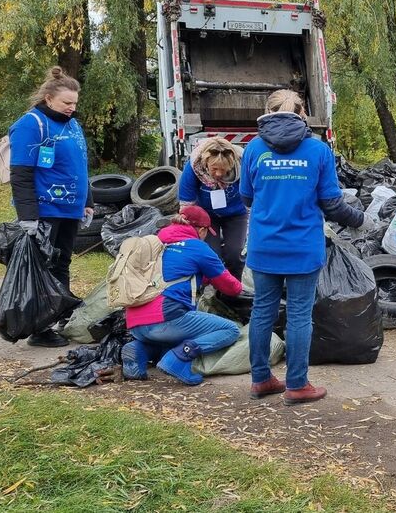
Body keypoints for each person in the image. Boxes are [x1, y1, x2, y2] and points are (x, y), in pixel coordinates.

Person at [241, 90, 376, 404]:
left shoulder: (253, 149)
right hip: (302, 248)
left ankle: (261, 380)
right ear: (302, 113)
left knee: (262, 312)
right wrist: (362, 220)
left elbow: (247, 197)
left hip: (264, 246)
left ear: (268, 112)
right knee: (300, 315)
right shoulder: (317, 150)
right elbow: (332, 205)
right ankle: (297, 385)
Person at [8, 66, 93, 348]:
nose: (72, 108)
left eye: (75, 103)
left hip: (70, 209)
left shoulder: (73, 124)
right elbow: (20, 174)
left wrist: (87, 202)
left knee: (61, 264)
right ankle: (39, 328)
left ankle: (58, 317)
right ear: (48, 98)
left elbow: (80, 166)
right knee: (42, 268)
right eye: (67, 103)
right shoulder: (30, 125)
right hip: (45, 210)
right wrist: (28, 217)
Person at [119, 205, 242, 386]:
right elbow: (231, 288)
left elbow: (173, 271)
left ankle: (140, 349)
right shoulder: (198, 248)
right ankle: (180, 358)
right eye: (207, 232)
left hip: (134, 322)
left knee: (170, 338)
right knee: (230, 330)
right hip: (165, 318)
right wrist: (242, 286)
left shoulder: (154, 241)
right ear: (201, 230)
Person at [178, 137, 247, 279]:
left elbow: (254, 190)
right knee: (211, 254)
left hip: (236, 213)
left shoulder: (242, 163)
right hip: (206, 215)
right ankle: (211, 289)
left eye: (224, 170)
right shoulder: (193, 166)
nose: (219, 174)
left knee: (235, 253)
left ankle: (233, 288)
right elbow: (186, 202)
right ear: (205, 163)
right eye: (214, 169)